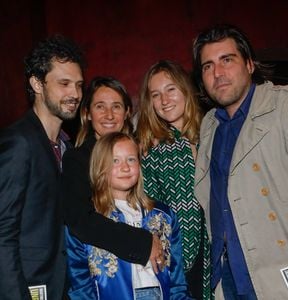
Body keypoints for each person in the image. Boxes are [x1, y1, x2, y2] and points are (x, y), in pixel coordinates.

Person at [193, 24, 288, 299]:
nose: (218, 73)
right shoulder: (209, 125)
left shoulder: (287, 107)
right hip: (228, 280)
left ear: (250, 64)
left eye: (227, 60)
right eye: (208, 66)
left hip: (283, 273)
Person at [0, 35, 85, 299]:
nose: (75, 94)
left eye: (79, 85)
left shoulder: (65, 147)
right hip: (28, 287)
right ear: (37, 84)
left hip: (63, 286)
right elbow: (2, 233)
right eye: (64, 84)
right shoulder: (19, 142)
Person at [65, 132, 191, 299]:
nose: (125, 167)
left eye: (131, 159)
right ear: (99, 166)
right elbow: (80, 288)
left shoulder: (164, 216)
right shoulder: (88, 219)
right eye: (115, 161)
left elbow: (177, 283)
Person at [61, 76, 164, 277]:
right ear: (87, 113)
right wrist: (141, 242)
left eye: (116, 106)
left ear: (127, 112)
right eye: (100, 106)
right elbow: (80, 220)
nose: (109, 115)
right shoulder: (77, 159)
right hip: (104, 275)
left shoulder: (141, 152)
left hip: (152, 274)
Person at [136, 60, 212, 299]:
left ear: (185, 89)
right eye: (155, 95)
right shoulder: (152, 149)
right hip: (179, 258)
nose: (164, 100)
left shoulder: (212, 131)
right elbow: (147, 210)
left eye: (170, 89)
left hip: (218, 252)